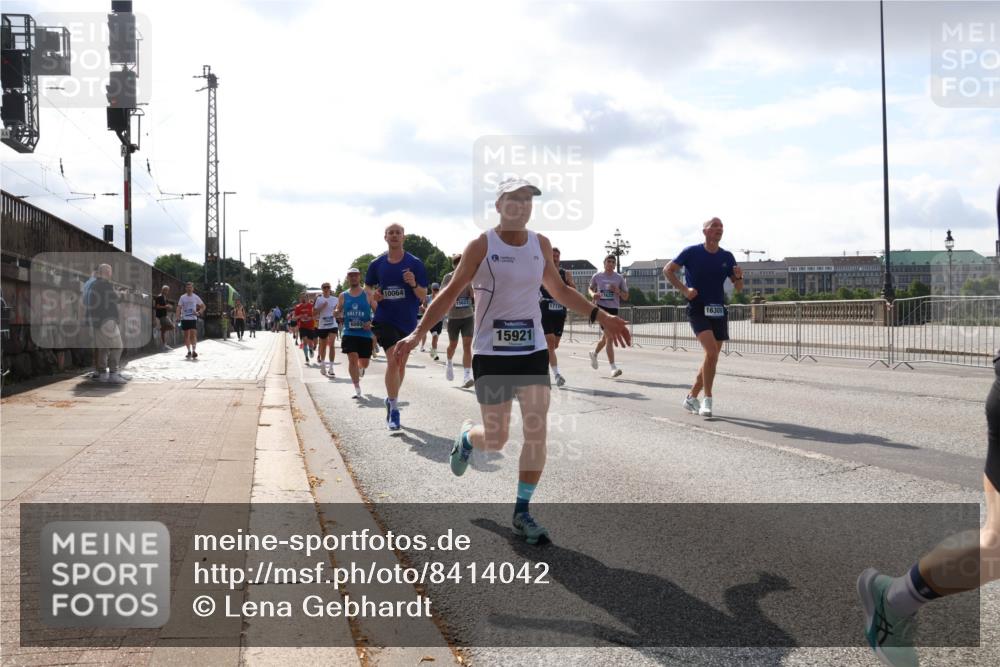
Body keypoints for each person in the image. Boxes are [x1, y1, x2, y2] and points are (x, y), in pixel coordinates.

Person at [393, 177, 631, 544]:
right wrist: (417, 333)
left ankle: (522, 511)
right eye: (514, 199)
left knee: (537, 430)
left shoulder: (540, 244)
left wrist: (601, 316)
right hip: (491, 353)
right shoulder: (482, 245)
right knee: (497, 437)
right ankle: (467, 438)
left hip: (532, 350)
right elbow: (451, 292)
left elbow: (560, 290)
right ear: (499, 205)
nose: (522, 206)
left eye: (528, 200)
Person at [664, 217, 743, 418]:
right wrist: (685, 290)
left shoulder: (727, 256)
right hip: (698, 308)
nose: (719, 229)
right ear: (705, 231)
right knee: (712, 353)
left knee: (711, 358)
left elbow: (738, 287)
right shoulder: (692, 252)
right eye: (714, 226)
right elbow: (668, 270)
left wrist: (739, 277)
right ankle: (707, 399)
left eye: (721, 226)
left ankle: (691, 397)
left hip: (718, 310)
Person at [365, 223, 428, 431]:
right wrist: (374, 298)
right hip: (385, 319)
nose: (394, 235)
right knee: (393, 359)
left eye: (398, 233)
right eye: (390, 233)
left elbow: (422, 295)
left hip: (407, 321)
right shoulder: (377, 264)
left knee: (400, 364)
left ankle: (391, 398)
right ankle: (394, 408)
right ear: (385, 237)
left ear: (403, 237)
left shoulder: (415, 263)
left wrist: (413, 283)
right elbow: (368, 287)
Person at [336, 268, 376, 398]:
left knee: (364, 363)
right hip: (349, 333)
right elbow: (337, 309)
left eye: (355, 275)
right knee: (352, 358)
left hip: (365, 333)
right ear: (348, 278)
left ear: (359, 277)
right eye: (351, 276)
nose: (353, 278)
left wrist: (370, 322)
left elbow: (378, 312)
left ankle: (361, 368)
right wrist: (336, 312)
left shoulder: (368, 294)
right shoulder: (343, 295)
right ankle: (357, 388)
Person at [539, 246, 576, 387]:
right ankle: (556, 375)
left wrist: (569, 282)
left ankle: (542, 360)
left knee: (554, 345)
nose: (555, 258)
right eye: (552, 255)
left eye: (557, 256)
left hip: (560, 311)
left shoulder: (565, 273)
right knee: (550, 342)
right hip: (545, 309)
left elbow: (573, 291)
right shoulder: (542, 271)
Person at [588, 255, 629, 378]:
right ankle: (613, 368)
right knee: (610, 337)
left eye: (613, 262)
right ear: (604, 263)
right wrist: (593, 294)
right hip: (601, 309)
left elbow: (626, 296)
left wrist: (618, 291)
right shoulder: (597, 276)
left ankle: (594, 353)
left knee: (606, 338)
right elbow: (590, 288)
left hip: (613, 310)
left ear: (615, 265)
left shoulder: (619, 278)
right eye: (608, 261)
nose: (610, 264)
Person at [87, 264, 128, 383]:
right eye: (110, 271)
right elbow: (116, 299)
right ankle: (113, 373)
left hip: (97, 321)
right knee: (117, 347)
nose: (111, 274)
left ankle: (102, 373)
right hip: (107, 321)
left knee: (103, 348)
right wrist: (122, 294)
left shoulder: (94, 284)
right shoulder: (106, 284)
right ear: (107, 272)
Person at [441, 254, 475, 388]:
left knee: (467, 345)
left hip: (468, 316)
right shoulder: (448, 277)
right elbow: (443, 294)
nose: (460, 266)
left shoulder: (470, 276)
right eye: (457, 264)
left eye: (462, 263)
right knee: (453, 345)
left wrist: (470, 286)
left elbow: (474, 296)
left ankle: (467, 376)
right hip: (453, 317)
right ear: (453, 265)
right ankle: (449, 362)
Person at [314, 282, 339, 376]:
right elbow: (314, 313)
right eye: (324, 287)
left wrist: (337, 312)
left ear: (330, 288)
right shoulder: (319, 299)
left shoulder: (335, 299)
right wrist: (321, 307)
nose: (326, 289)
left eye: (328, 287)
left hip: (333, 325)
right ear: (322, 289)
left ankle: (331, 367)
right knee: (323, 346)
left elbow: (339, 311)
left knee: (332, 345)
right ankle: (323, 364)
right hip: (322, 326)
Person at [176, 282, 206, 359]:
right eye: (188, 287)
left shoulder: (196, 297)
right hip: (184, 318)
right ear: (186, 288)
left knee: (193, 334)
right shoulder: (182, 297)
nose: (189, 289)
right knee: (186, 335)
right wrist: (178, 316)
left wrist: (198, 312)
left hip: (193, 318)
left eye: (190, 287)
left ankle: (194, 351)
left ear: (193, 289)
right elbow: (179, 307)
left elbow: (203, 306)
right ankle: (189, 351)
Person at [293, 292, 316, 363]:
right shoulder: (298, 307)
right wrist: (300, 316)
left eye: (305, 297)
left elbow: (315, 315)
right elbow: (294, 318)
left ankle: (311, 349)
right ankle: (306, 357)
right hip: (302, 326)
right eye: (302, 297)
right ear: (300, 299)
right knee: (305, 341)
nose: (303, 299)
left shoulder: (311, 306)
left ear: (307, 298)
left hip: (310, 326)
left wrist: (310, 318)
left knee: (310, 343)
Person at [153, 285, 174, 350]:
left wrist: (168, 306)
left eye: (167, 290)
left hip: (164, 315)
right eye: (165, 290)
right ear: (162, 290)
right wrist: (166, 306)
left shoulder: (164, 297)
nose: (167, 292)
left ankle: (164, 344)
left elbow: (163, 305)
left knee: (164, 330)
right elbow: (157, 306)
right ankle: (162, 330)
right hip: (162, 316)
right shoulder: (159, 297)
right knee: (172, 327)